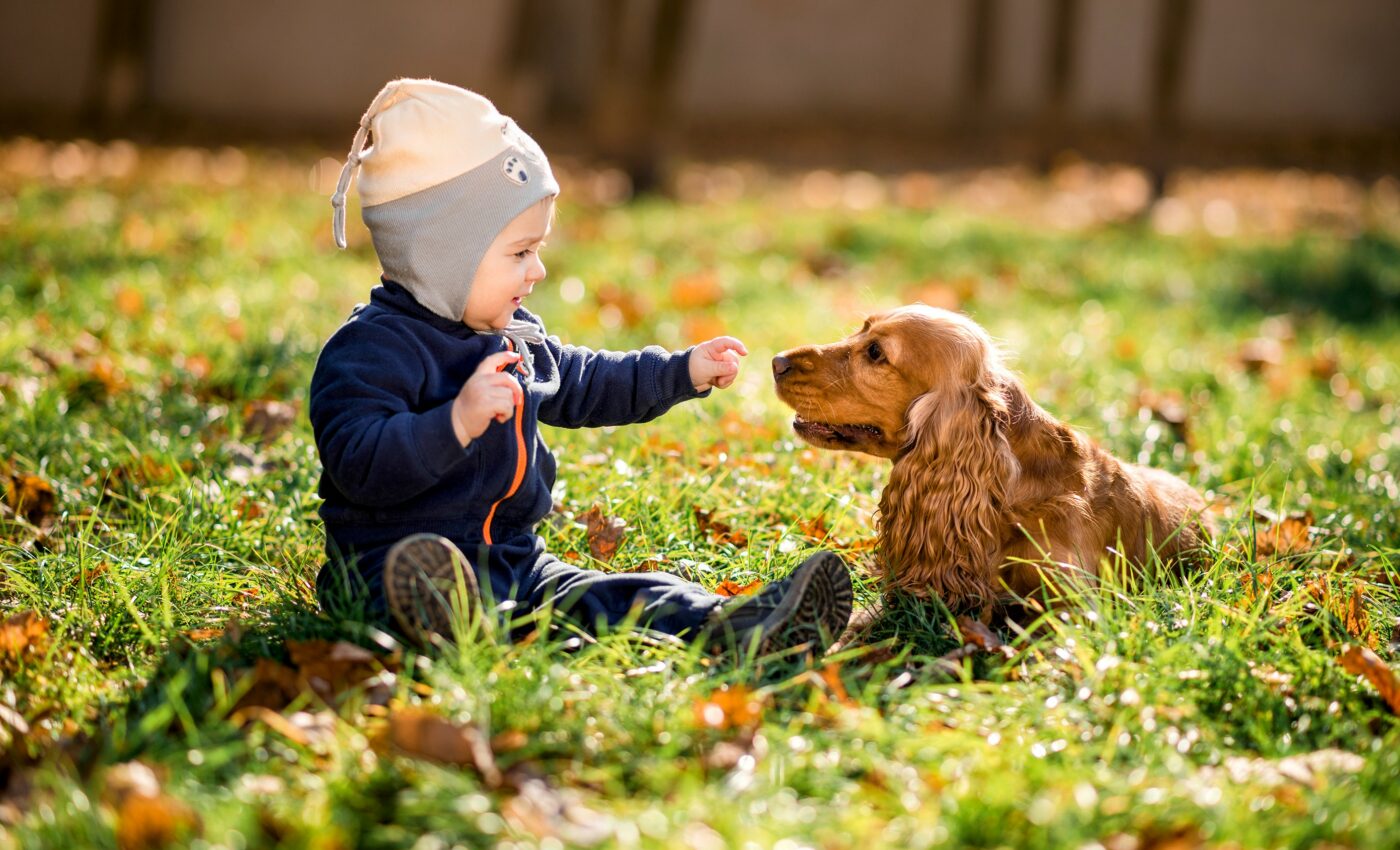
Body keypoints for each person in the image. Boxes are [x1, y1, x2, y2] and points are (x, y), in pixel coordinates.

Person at [312, 78, 851, 655]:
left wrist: (680, 373)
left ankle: (732, 624)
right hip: (385, 564)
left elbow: (587, 381)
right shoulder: (369, 352)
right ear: (440, 258)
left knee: (620, 596)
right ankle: (440, 618)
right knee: (416, 588)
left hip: (514, 562)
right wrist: (455, 423)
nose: (537, 270)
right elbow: (358, 462)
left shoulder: (511, 338)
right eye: (520, 253)